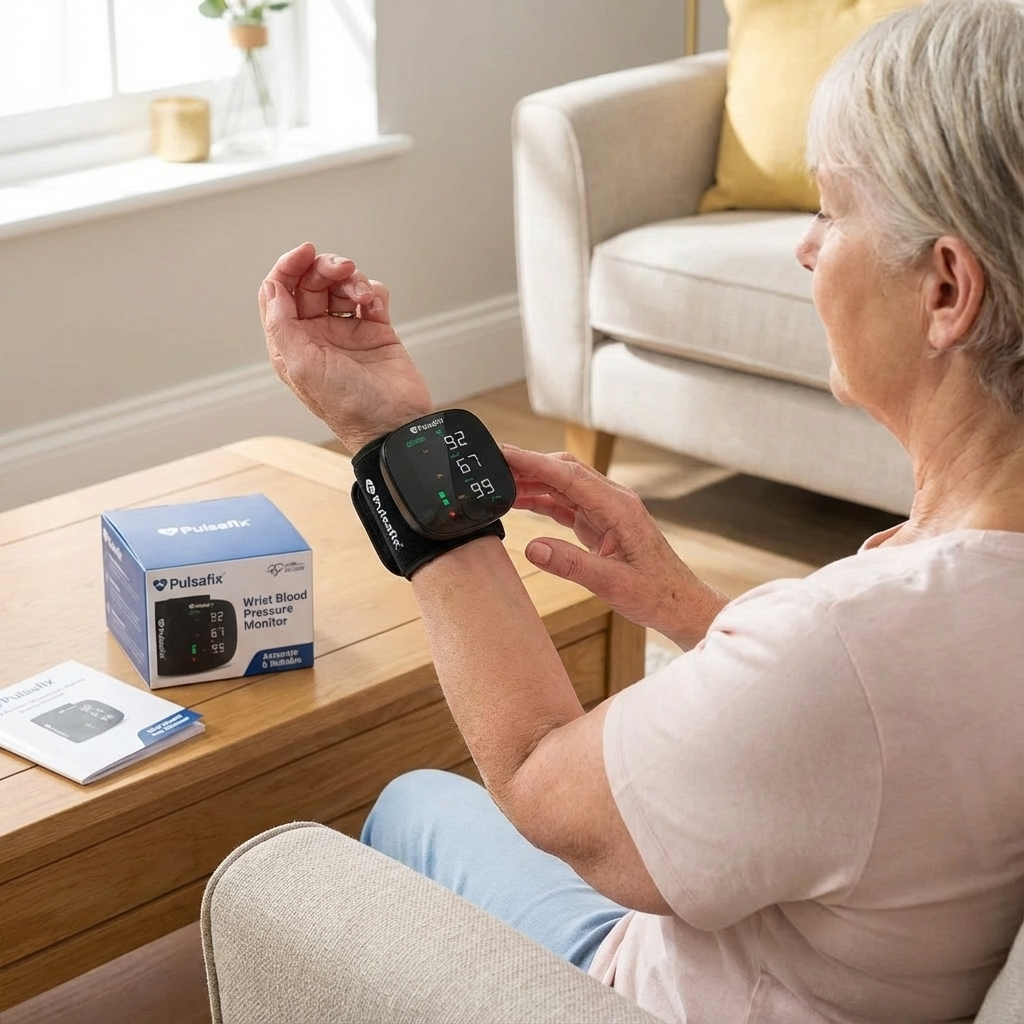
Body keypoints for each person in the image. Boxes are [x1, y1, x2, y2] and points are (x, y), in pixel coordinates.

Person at [257, 1, 1023, 1020]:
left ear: (946, 290)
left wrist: (392, 444)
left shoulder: (845, 645)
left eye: (832, 209)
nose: (805, 248)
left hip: (659, 996)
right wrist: (704, 617)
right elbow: (882, 746)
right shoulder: (939, 602)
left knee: (413, 802)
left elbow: (543, 785)